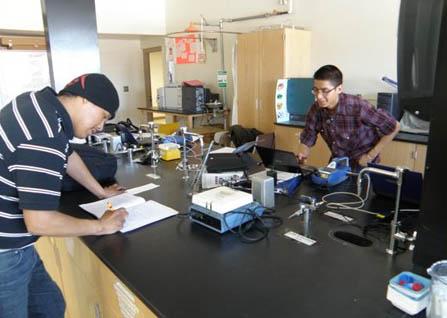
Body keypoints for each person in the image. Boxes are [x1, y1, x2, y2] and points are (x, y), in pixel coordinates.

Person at [0, 73, 129, 317]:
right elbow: (40, 222)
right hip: (5, 254)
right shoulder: (44, 134)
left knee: (51, 307)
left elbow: (68, 155)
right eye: (103, 116)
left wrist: (100, 191)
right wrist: (101, 226)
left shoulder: (36, 104)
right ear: (84, 100)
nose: (101, 127)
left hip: (16, 247)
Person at [298, 65, 400, 170]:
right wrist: (303, 154)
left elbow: (394, 126)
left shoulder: (358, 106)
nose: (318, 96)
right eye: (316, 90)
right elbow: (308, 136)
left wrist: (370, 156)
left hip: (363, 165)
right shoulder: (316, 108)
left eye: (325, 91)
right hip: (338, 163)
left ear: (339, 89)